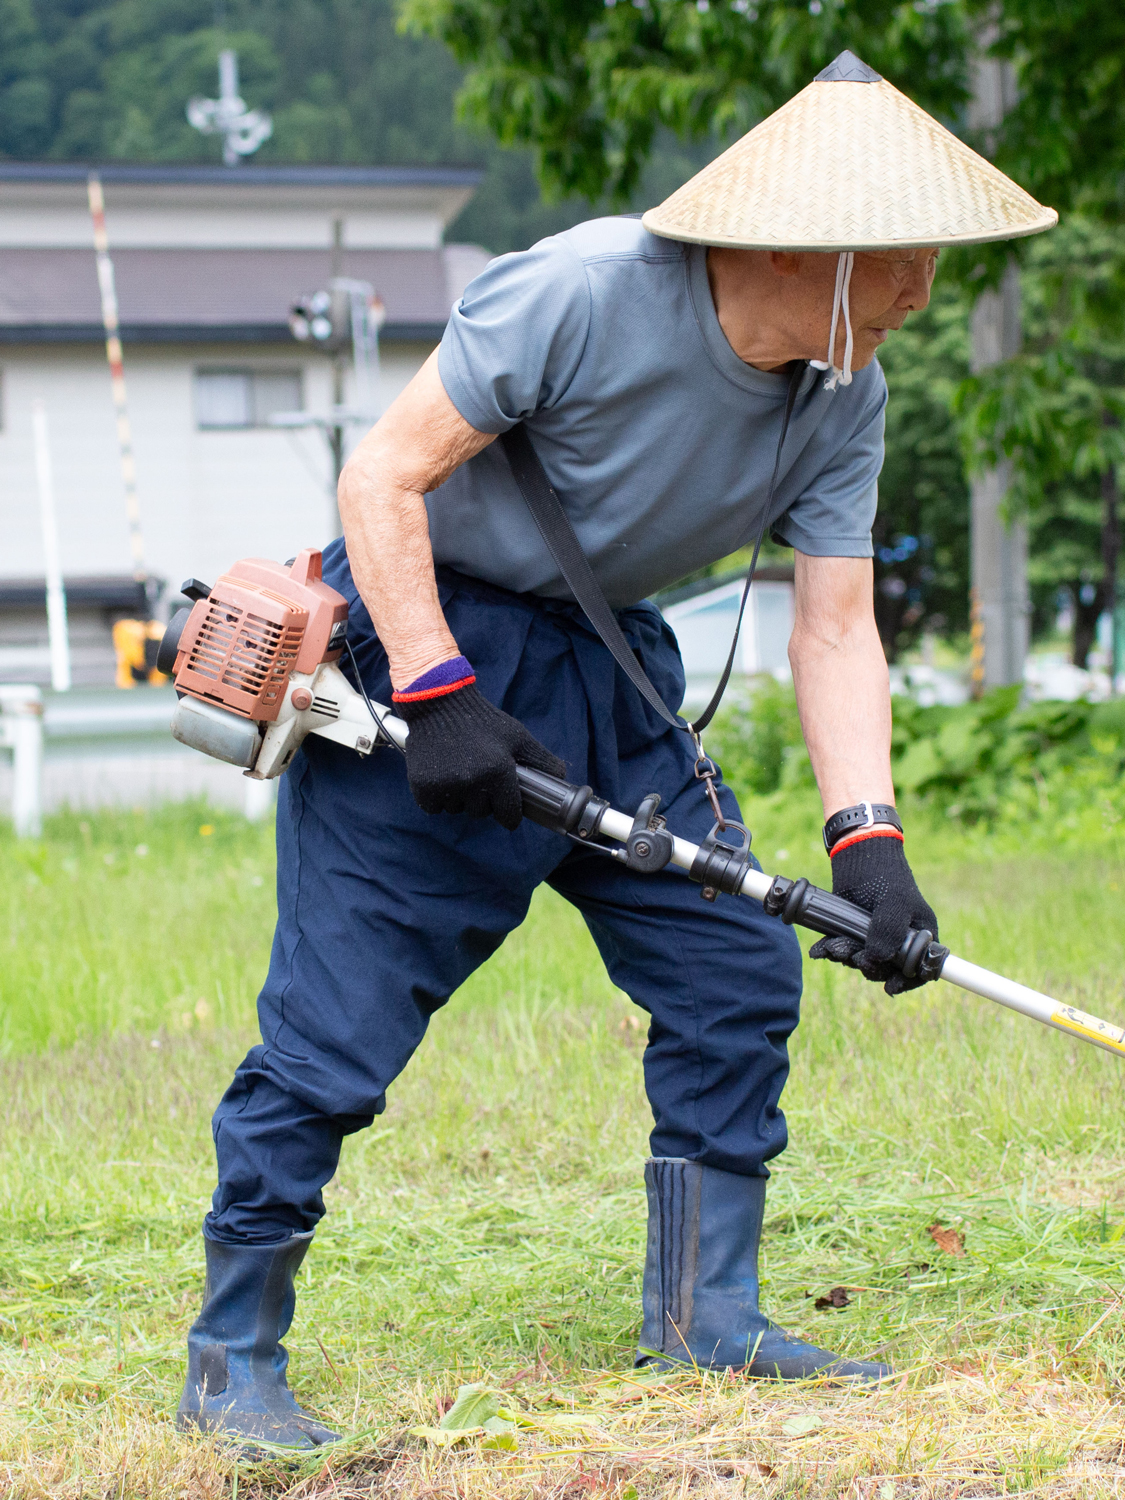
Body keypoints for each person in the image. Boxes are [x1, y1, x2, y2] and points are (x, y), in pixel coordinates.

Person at [176, 51, 1056, 1446]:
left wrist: (869, 843)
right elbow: (381, 473)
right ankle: (233, 1353)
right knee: (338, 1029)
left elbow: (833, 632)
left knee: (732, 968)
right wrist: (438, 683)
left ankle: (702, 1315)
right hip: (427, 648)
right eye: (899, 263)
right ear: (796, 245)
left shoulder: (845, 393)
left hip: (609, 669)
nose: (919, 296)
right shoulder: (580, 290)